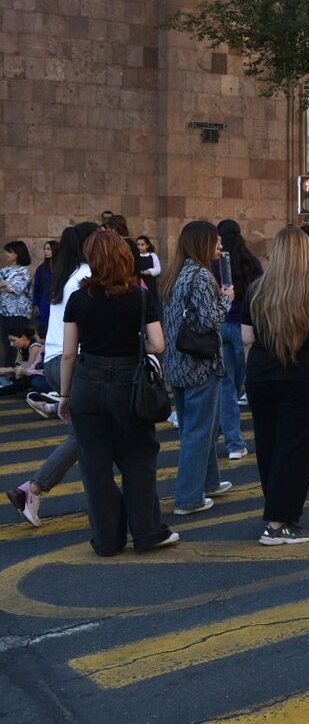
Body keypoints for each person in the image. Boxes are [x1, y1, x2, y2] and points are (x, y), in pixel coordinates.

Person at [59, 229, 178, 555]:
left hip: (87, 385)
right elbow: (159, 344)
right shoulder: (139, 297)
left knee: (95, 467)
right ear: (124, 258)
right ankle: (147, 533)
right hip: (129, 384)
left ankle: (107, 540)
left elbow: (69, 353)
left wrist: (65, 395)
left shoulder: (79, 299)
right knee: (138, 460)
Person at [243, 227, 309, 544]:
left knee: (269, 446)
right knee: (295, 450)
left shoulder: (257, 288)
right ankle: (279, 524)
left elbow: (247, 338)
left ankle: (276, 511)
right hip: (303, 375)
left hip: (261, 373)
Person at [6, 223, 99, 527]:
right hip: (71, 362)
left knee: (88, 433)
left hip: (56, 360)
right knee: (91, 432)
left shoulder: (65, 275)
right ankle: (33, 488)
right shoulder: (84, 277)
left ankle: (98, 503)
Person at [163, 220, 235, 516]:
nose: (220, 246)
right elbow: (209, 321)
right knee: (200, 430)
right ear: (203, 243)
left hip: (177, 364)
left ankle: (210, 482)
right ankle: (189, 497)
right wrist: (226, 300)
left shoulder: (175, 273)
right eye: (216, 241)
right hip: (200, 364)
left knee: (196, 428)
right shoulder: (202, 276)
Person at [216, 220, 263, 460]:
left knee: (226, 388)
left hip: (220, 325)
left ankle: (234, 443)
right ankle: (233, 433)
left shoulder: (215, 263)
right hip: (244, 327)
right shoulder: (251, 262)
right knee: (241, 384)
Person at [1, 241, 33, 370]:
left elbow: (17, 288)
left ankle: (16, 371)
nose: (7, 254)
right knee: (6, 342)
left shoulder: (24, 271)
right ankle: (7, 370)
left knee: (17, 342)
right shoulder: (5, 270)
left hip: (19, 312)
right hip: (4, 311)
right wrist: (6, 285)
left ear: (18, 253)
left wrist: (5, 284)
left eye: (10, 251)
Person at [0, 326, 49, 396]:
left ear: (23, 337)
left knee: (30, 382)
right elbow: (17, 364)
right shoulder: (21, 348)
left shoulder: (35, 347)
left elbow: (30, 368)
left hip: (36, 375)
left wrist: (6, 370)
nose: (11, 344)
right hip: (28, 374)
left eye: (13, 340)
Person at [31, 240, 57, 338]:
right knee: (44, 328)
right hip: (44, 302)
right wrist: (36, 304)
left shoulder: (62, 267)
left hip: (57, 300)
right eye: (45, 249)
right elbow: (37, 287)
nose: (46, 251)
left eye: (48, 249)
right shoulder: (41, 268)